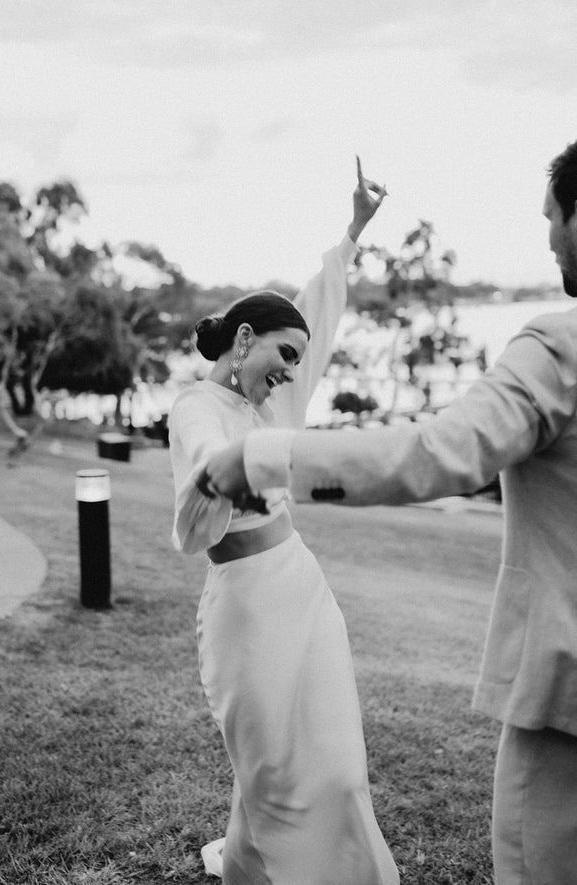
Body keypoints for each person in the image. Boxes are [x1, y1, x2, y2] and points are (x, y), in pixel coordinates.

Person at [203, 139, 577, 885]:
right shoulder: (200, 408)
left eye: (551, 219)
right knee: (268, 753)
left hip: (561, 684)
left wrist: (265, 458)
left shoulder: (559, 346)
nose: (547, 239)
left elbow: (436, 450)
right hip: (246, 600)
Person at [169, 159, 400, 884]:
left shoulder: (276, 403)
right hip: (245, 610)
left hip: (303, 590)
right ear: (244, 339)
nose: (294, 372)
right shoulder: (196, 407)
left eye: (298, 362)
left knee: (336, 763)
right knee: (270, 770)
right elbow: (207, 470)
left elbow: (316, 314)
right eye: (283, 356)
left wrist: (353, 231)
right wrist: (238, 469)